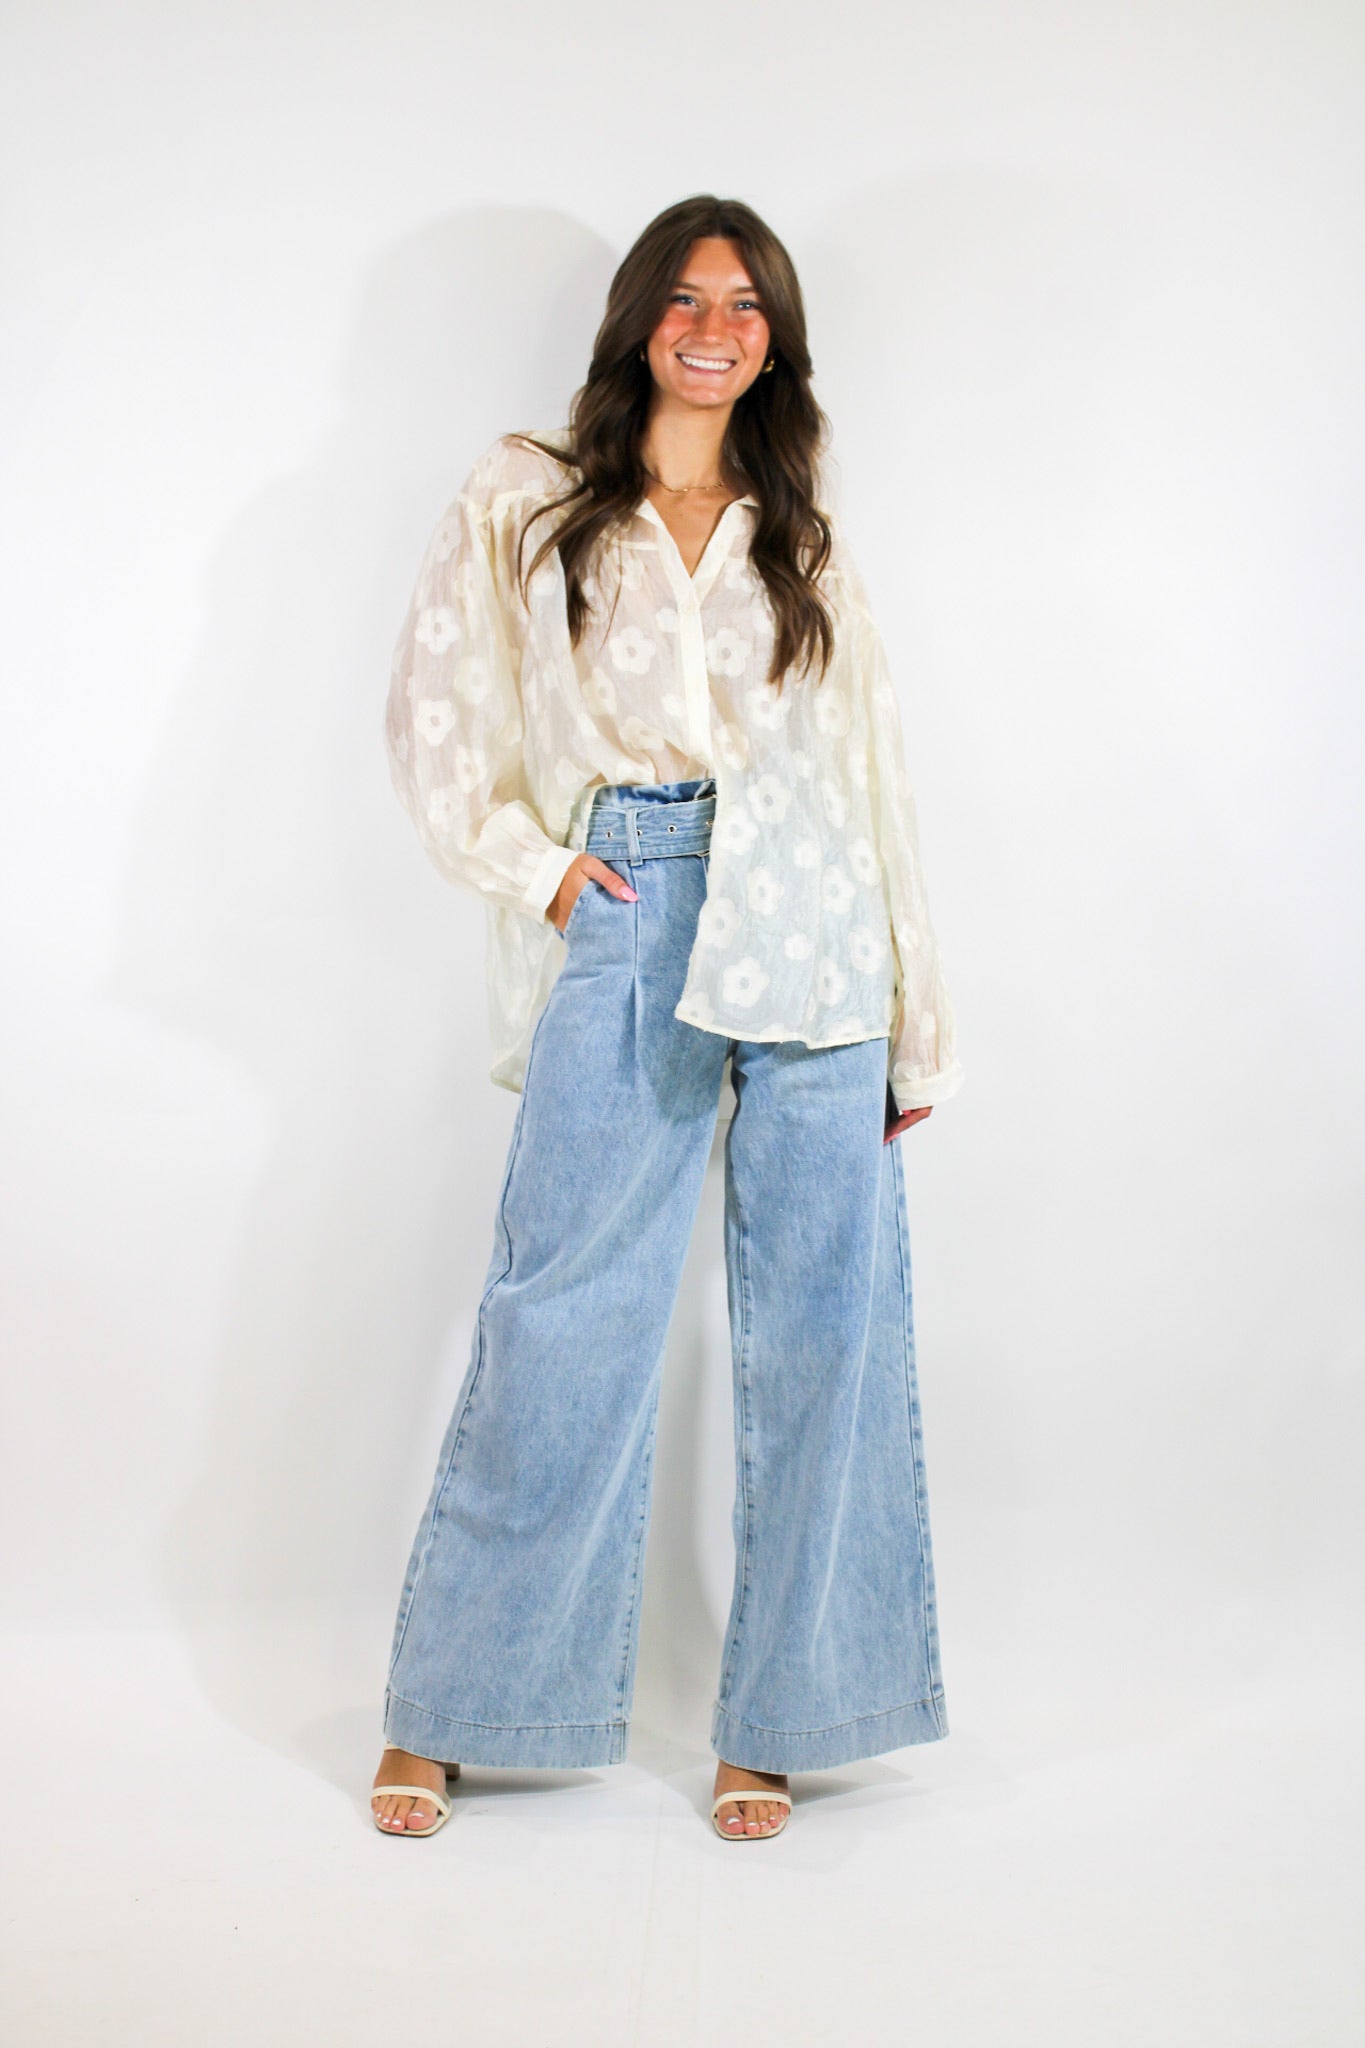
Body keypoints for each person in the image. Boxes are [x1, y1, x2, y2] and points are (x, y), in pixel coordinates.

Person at [371, 194, 963, 1844]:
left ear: (775, 341)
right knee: (565, 1307)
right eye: (688, 298)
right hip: (635, 888)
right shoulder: (529, 496)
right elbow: (434, 716)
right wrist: (544, 872)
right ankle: (460, 1706)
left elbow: (876, 775)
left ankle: (786, 1721)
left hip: (818, 919)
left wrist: (915, 1010)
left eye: (746, 305)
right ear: (641, 318)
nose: (715, 327)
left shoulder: (801, 536)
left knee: (829, 1326)